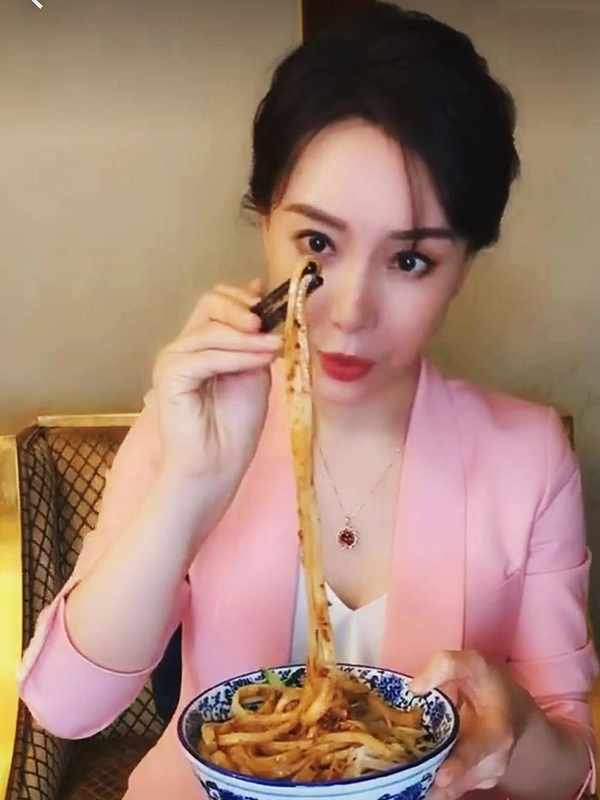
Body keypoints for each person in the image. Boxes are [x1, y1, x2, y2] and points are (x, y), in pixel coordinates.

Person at [18, 4, 598, 799]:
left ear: (464, 265)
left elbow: (574, 767)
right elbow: (65, 707)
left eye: (411, 260)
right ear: (265, 224)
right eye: (317, 244)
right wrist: (191, 485)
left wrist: (519, 731)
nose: (351, 312)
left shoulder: (528, 457)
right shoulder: (190, 425)